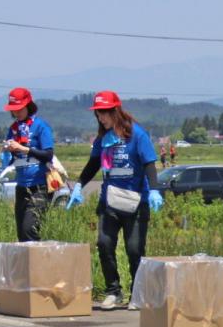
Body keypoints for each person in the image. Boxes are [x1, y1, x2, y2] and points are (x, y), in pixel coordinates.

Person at [66, 91, 164, 310]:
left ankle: (139, 293)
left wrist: (154, 190)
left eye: (105, 112)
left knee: (134, 249)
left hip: (135, 202)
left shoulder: (137, 134)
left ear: (116, 111)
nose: (101, 117)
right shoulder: (103, 139)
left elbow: (149, 163)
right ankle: (113, 291)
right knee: (104, 244)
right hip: (110, 201)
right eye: (98, 114)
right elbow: (93, 164)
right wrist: (79, 185)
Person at [0, 88, 55, 242]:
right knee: (22, 235)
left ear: (28, 106)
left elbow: (48, 154)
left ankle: (37, 257)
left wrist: (25, 149)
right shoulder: (13, 129)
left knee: (29, 228)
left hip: (40, 186)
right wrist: (8, 151)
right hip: (22, 187)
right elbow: (11, 160)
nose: (16, 113)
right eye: (13, 110)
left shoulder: (40, 126)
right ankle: (28, 258)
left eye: (20, 109)